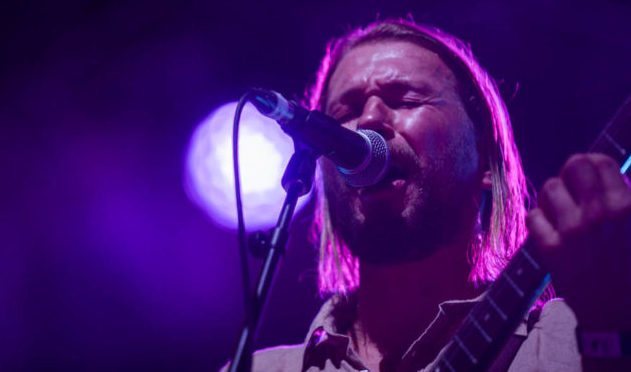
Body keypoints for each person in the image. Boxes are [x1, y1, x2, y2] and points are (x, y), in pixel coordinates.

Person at [226, 19, 631, 372]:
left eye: (405, 100)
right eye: (345, 112)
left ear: (485, 160)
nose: (368, 120)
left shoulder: (584, 334)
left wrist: (610, 331)